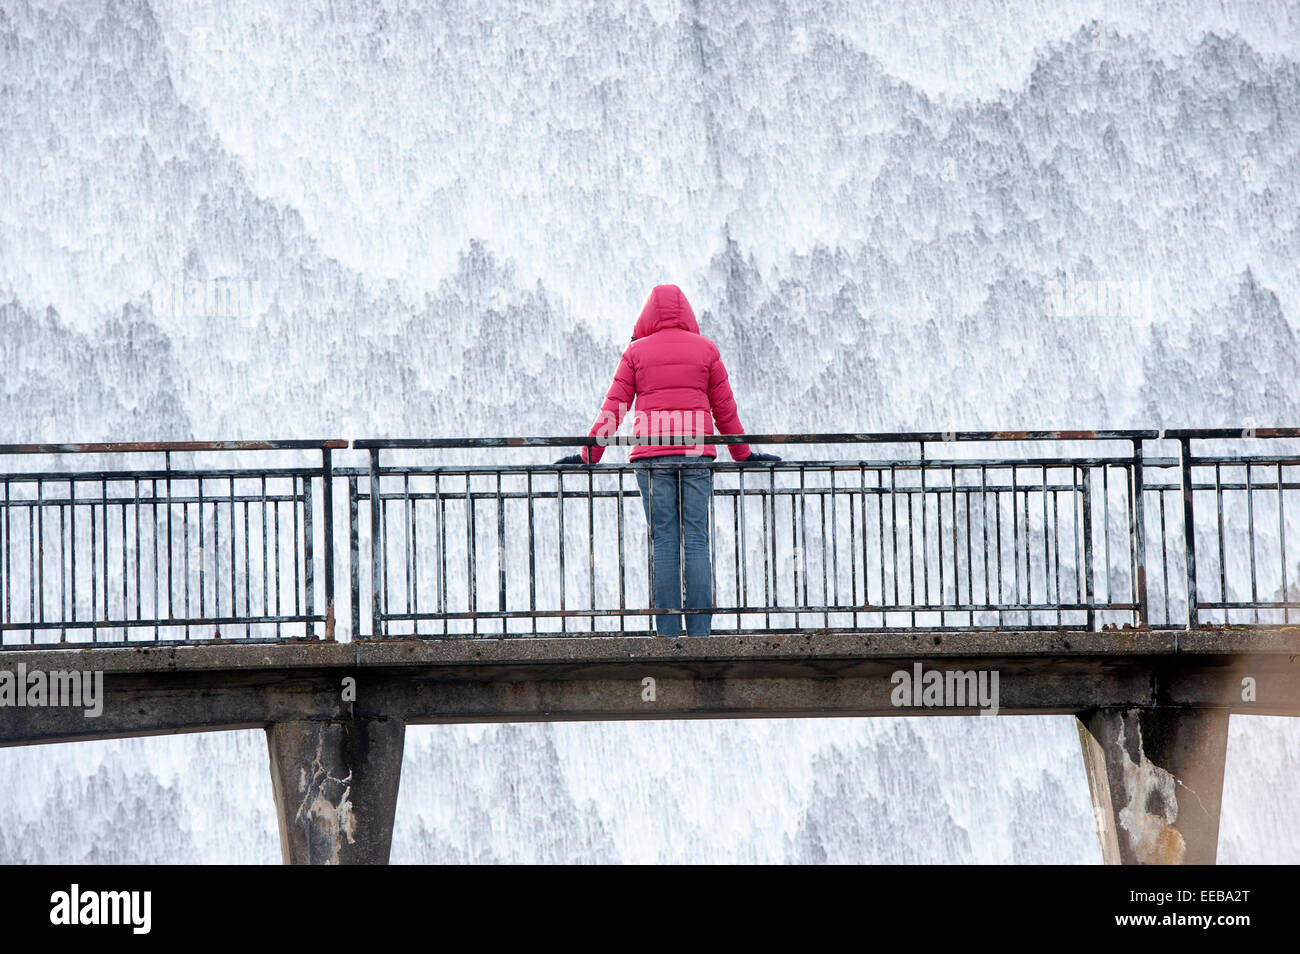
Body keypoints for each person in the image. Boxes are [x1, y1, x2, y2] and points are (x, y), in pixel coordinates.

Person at [556, 284, 779, 636]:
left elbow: (614, 408)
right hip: (695, 451)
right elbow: (724, 410)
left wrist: (589, 456)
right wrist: (744, 455)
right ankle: (701, 635)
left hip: (651, 456)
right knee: (696, 538)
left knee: (663, 540)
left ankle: (669, 634)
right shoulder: (706, 350)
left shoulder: (635, 353)